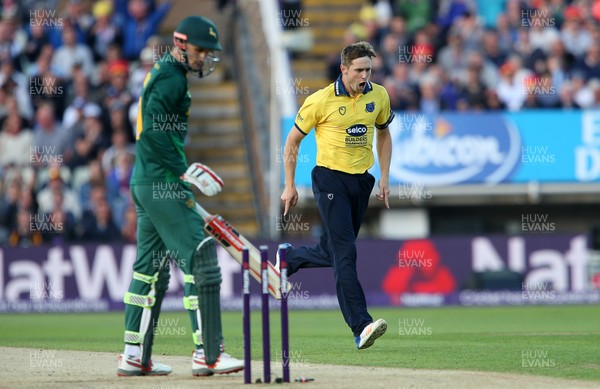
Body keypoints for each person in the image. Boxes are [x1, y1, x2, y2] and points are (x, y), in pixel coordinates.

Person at [117, 15, 243, 377]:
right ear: (182, 44)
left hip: (145, 181)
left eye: (209, 52)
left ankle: (134, 355)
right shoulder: (172, 78)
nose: (205, 57)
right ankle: (209, 354)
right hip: (162, 181)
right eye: (201, 50)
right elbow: (155, 132)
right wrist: (182, 170)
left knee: (150, 271)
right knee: (201, 259)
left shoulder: (165, 71)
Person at [279, 41, 393, 350]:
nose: (364, 75)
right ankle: (361, 325)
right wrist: (289, 184)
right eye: (359, 70)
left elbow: (384, 134)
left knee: (333, 251)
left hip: (361, 182)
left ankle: (287, 259)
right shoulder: (320, 101)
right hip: (330, 181)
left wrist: (384, 175)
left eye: (368, 69)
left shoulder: (378, 95)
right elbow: (291, 143)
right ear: (344, 69)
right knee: (346, 253)